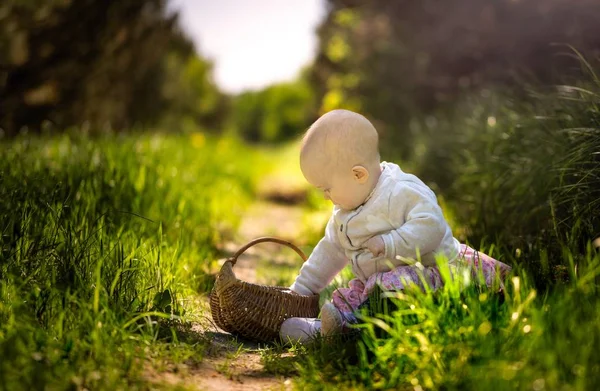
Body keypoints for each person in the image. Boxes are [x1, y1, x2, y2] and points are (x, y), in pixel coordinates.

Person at [279, 109, 512, 343]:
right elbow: (330, 250)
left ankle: (348, 330)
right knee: (364, 296)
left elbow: (432, 225)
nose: (326, 198)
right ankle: (331, 328)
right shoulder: (344, 213)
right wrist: (302, 289)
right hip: (382, 284)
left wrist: (391, 243)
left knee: (390, 290)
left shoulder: (400, 191)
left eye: (326, 189)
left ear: (358, 175)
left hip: (430, 274)